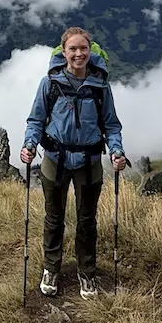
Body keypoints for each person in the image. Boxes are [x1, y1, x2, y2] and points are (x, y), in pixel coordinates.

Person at [20, 27, 127, 299]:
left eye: (83, 49)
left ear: (90, 52)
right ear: (64, 52)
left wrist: (116, 150)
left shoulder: (101, 87)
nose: (79, 54)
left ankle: (86, 272)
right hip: (55, 158)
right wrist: (29, 145)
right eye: (73, 49)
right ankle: (51, 268)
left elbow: (111, 125)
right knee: (54, 218)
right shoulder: (50, 83)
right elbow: (35, 120)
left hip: (89, 160)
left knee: (87, 220)